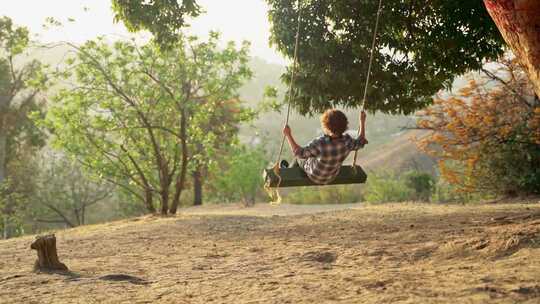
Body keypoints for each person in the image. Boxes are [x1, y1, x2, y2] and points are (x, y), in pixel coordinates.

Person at [282, 109, 368, 185]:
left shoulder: (321, 143)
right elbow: (361, 142)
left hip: (314, 175)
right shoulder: (347, 141)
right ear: (344, 125)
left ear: (326, 126)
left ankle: (287, 170)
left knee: (298, 159)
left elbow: (299, 153)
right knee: (314, 156)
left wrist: (288, 135)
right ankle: (289, 167)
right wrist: (362, 121)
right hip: (330, 177)